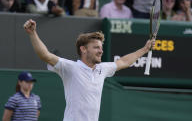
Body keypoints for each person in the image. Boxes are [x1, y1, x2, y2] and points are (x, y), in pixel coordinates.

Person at [23, 19, 155, 121]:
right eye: (96, 47)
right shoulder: (70, 68)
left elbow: (124, 61)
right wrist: (33, 33)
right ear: (83, 49)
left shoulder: (103, 69)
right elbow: (45, 55)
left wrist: (144, 49)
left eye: (101, 47)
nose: (101, 51)